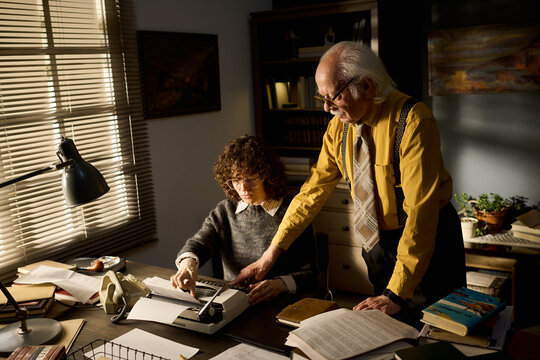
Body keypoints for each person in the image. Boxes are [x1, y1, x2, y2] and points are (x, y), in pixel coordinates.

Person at [232, 41, 465, 324]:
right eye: (322, 99)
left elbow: (420, 215)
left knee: (438, 331)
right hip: (378, 244)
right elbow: (311, 194)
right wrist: (271, 255)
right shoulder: (337, 129)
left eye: (333, 97)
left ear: (366, 86)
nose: (327, 109)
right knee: (391, 329)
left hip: (430, 241)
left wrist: (396, 293)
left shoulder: (414, 121)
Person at [170, 135, 318, 306]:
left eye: (251, 180)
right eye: (236, 181)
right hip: (233, 303)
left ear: (267, 176)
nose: (243, 189)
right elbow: (199, 243)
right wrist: (188, 265)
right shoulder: (225, 211)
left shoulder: (294, 213)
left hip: (281, 304)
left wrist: (280, 284)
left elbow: (311, 277)